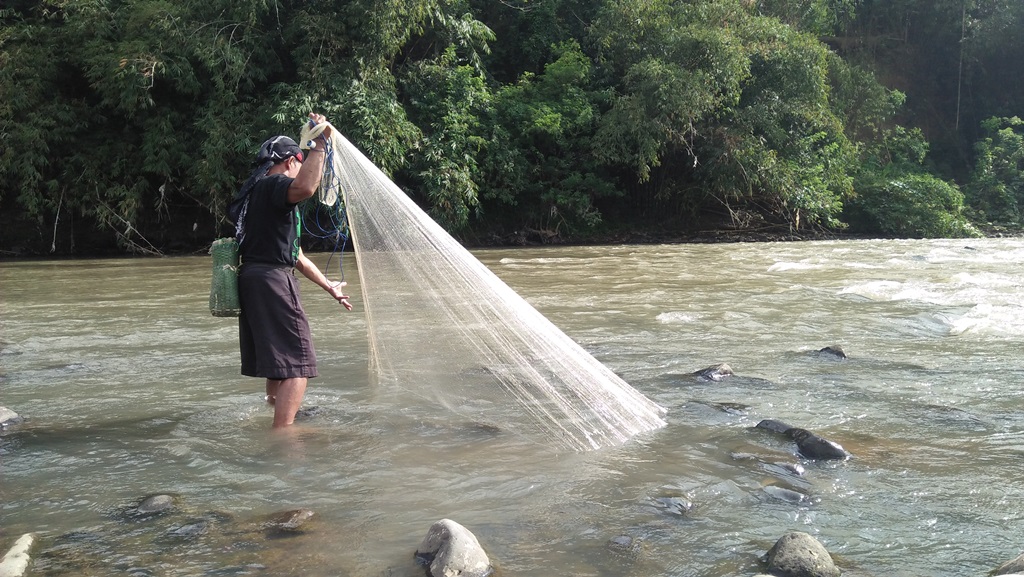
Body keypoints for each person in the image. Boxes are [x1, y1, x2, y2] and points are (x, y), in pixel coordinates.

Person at [228, 112, 352, 429]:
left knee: (278, 364)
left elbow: (295, 255)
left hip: (252, 278)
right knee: (298, 365)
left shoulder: (251, 194)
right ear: (289, 161)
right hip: (272, 280)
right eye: (300, 160)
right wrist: (321, 144)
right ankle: (283, 436)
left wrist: (330, 288)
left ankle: (278, 413)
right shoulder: (273, 186)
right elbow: (306, 187)